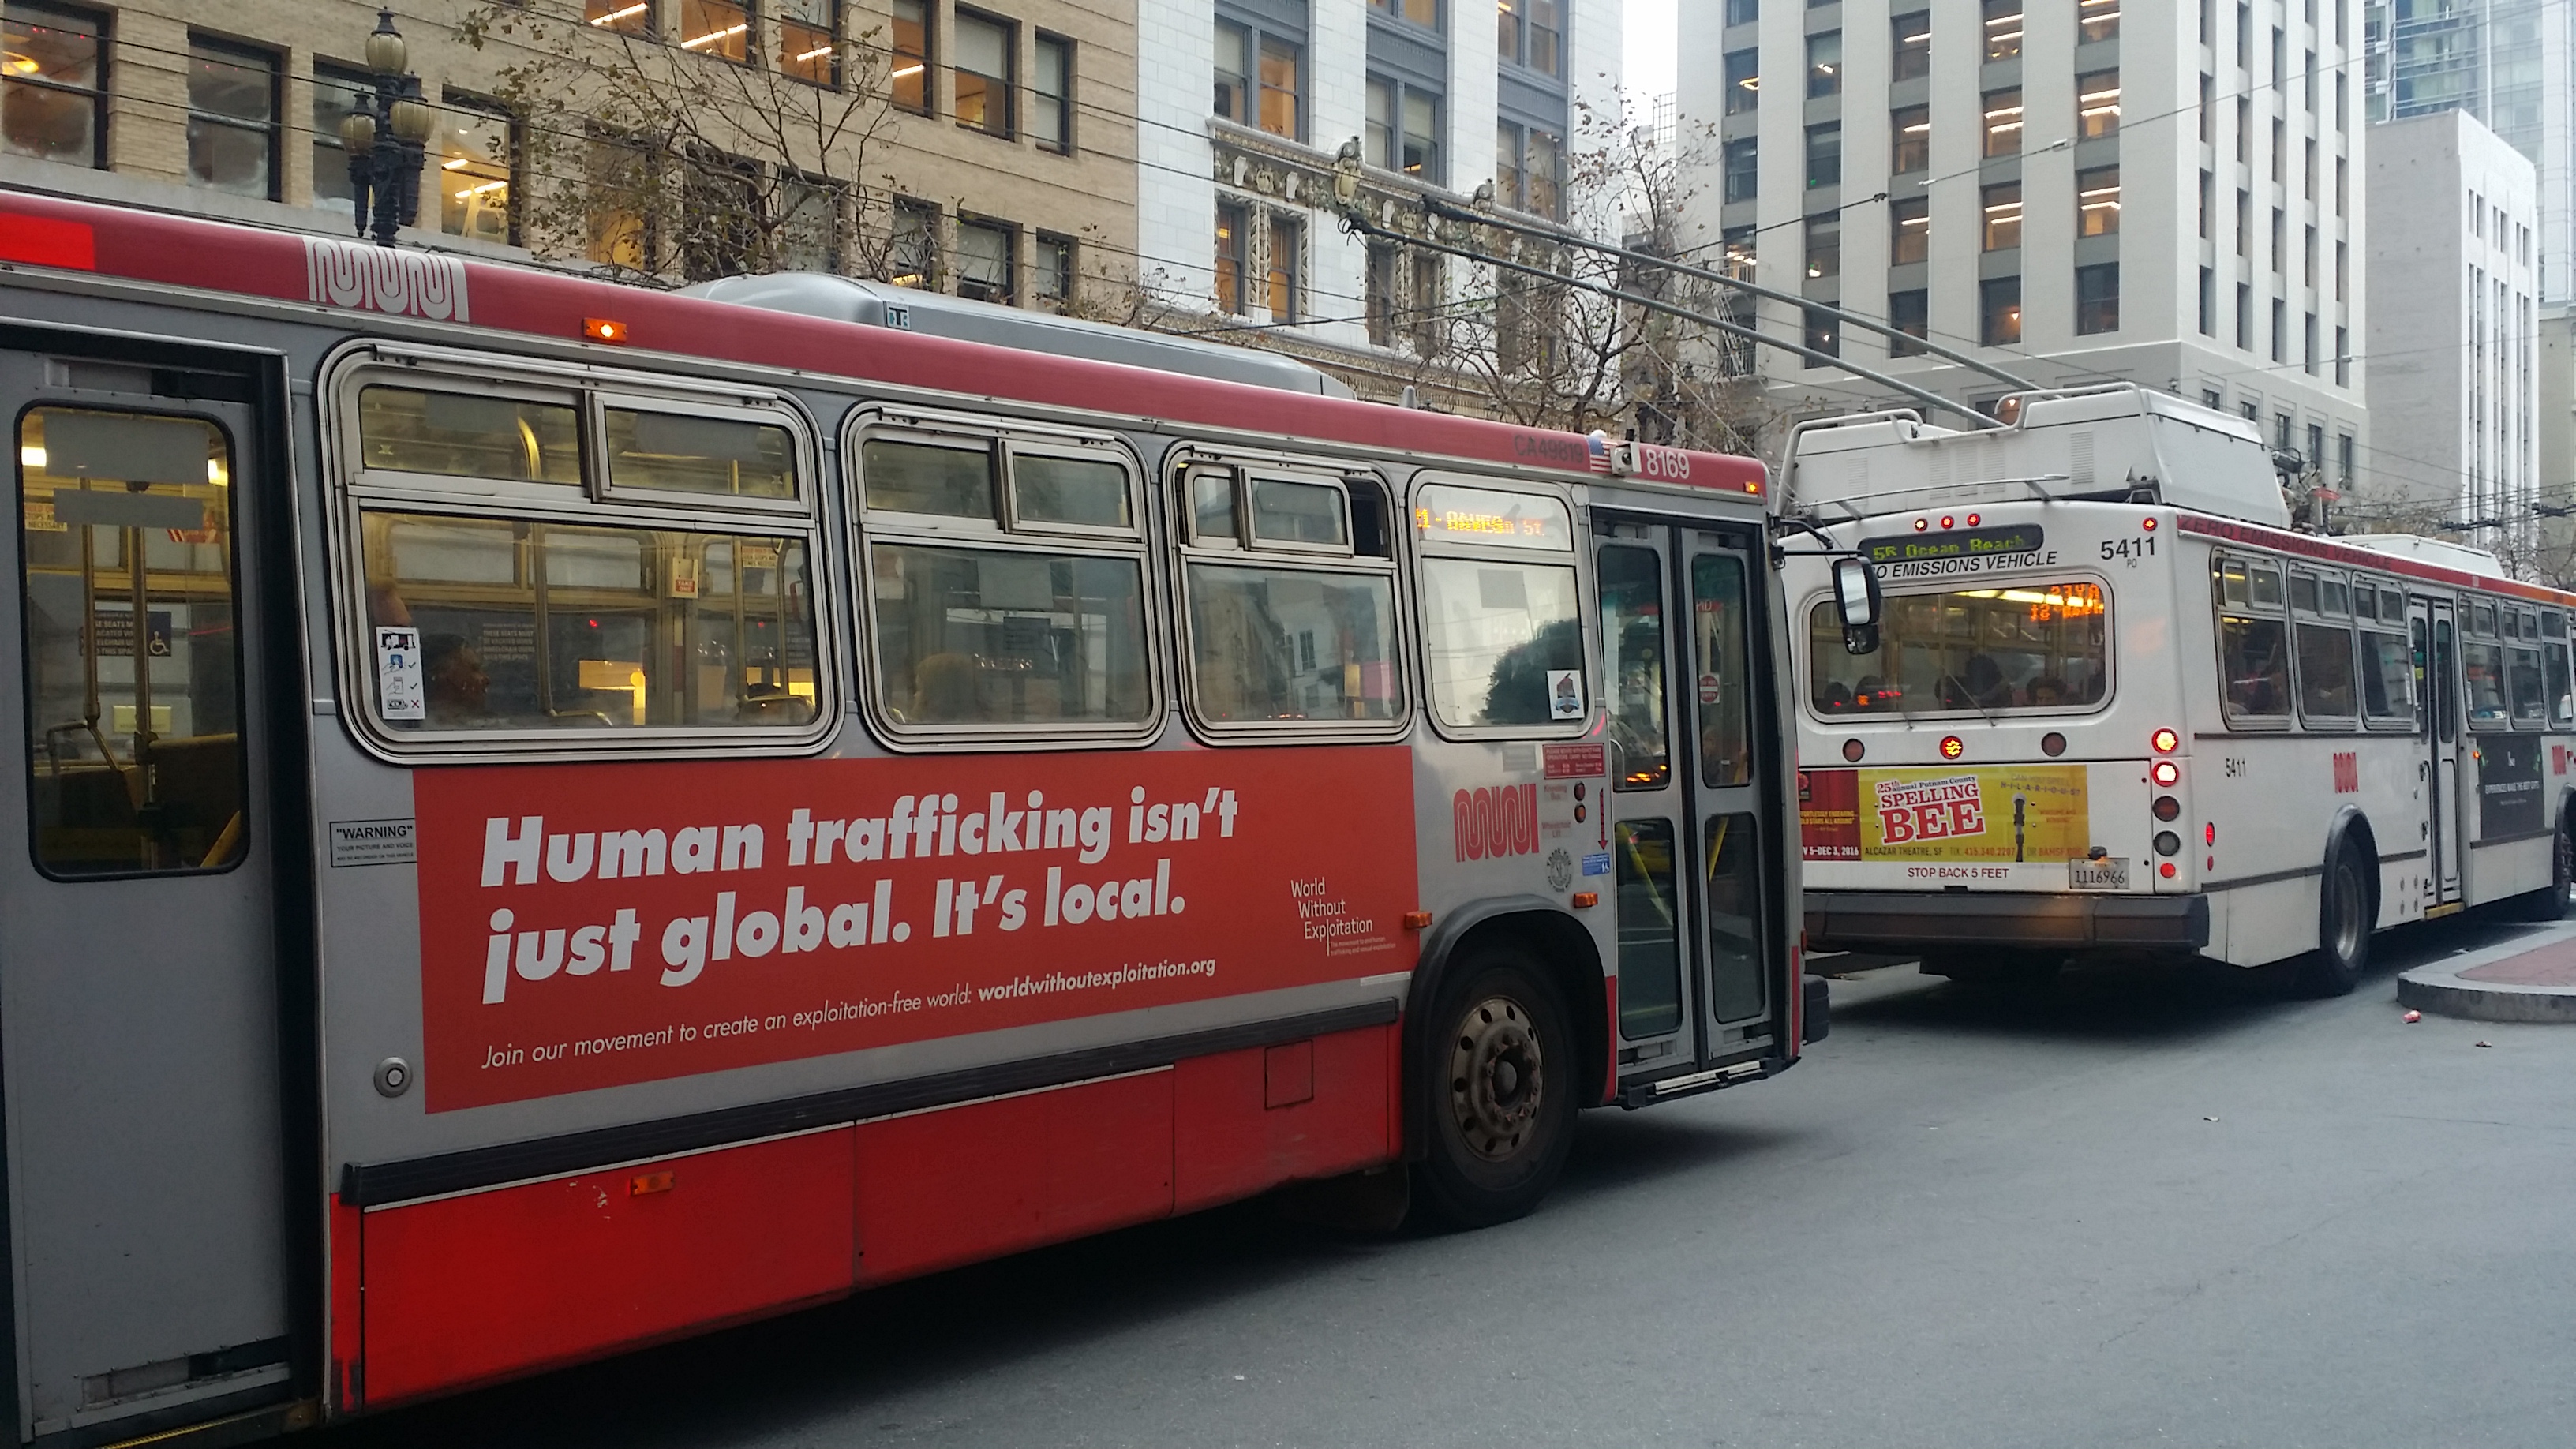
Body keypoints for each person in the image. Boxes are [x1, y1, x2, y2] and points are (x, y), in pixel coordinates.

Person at [422, 633, 490, 725]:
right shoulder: (424, 729)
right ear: (443, 673)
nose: (486, 679)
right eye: (474, 669)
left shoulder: (503, 727)